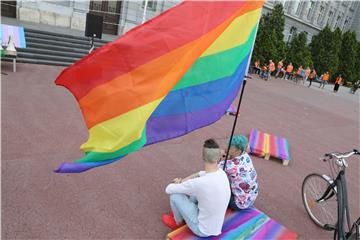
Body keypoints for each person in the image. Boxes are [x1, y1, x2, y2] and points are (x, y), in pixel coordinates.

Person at [162, 139, 231, 237]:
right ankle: (186, 214)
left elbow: (168, 189)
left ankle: (178, 222)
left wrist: (177, 183)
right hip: (215, 226)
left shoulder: (199, 183)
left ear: (203, 157)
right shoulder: (222, 173)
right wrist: (183, 181)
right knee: (195, 193)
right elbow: (200, 173)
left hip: (202, 230)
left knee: (175, 196)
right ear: (218, 158)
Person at [218, 135, 259, 211]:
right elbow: (248, 148)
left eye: (230, 147)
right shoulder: (245, 155)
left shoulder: (228, 165)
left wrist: (219, 157)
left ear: (237, 150)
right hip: (252, 196)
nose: (226, 148)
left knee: (217, 187)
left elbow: (212, 170)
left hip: (238, 204)